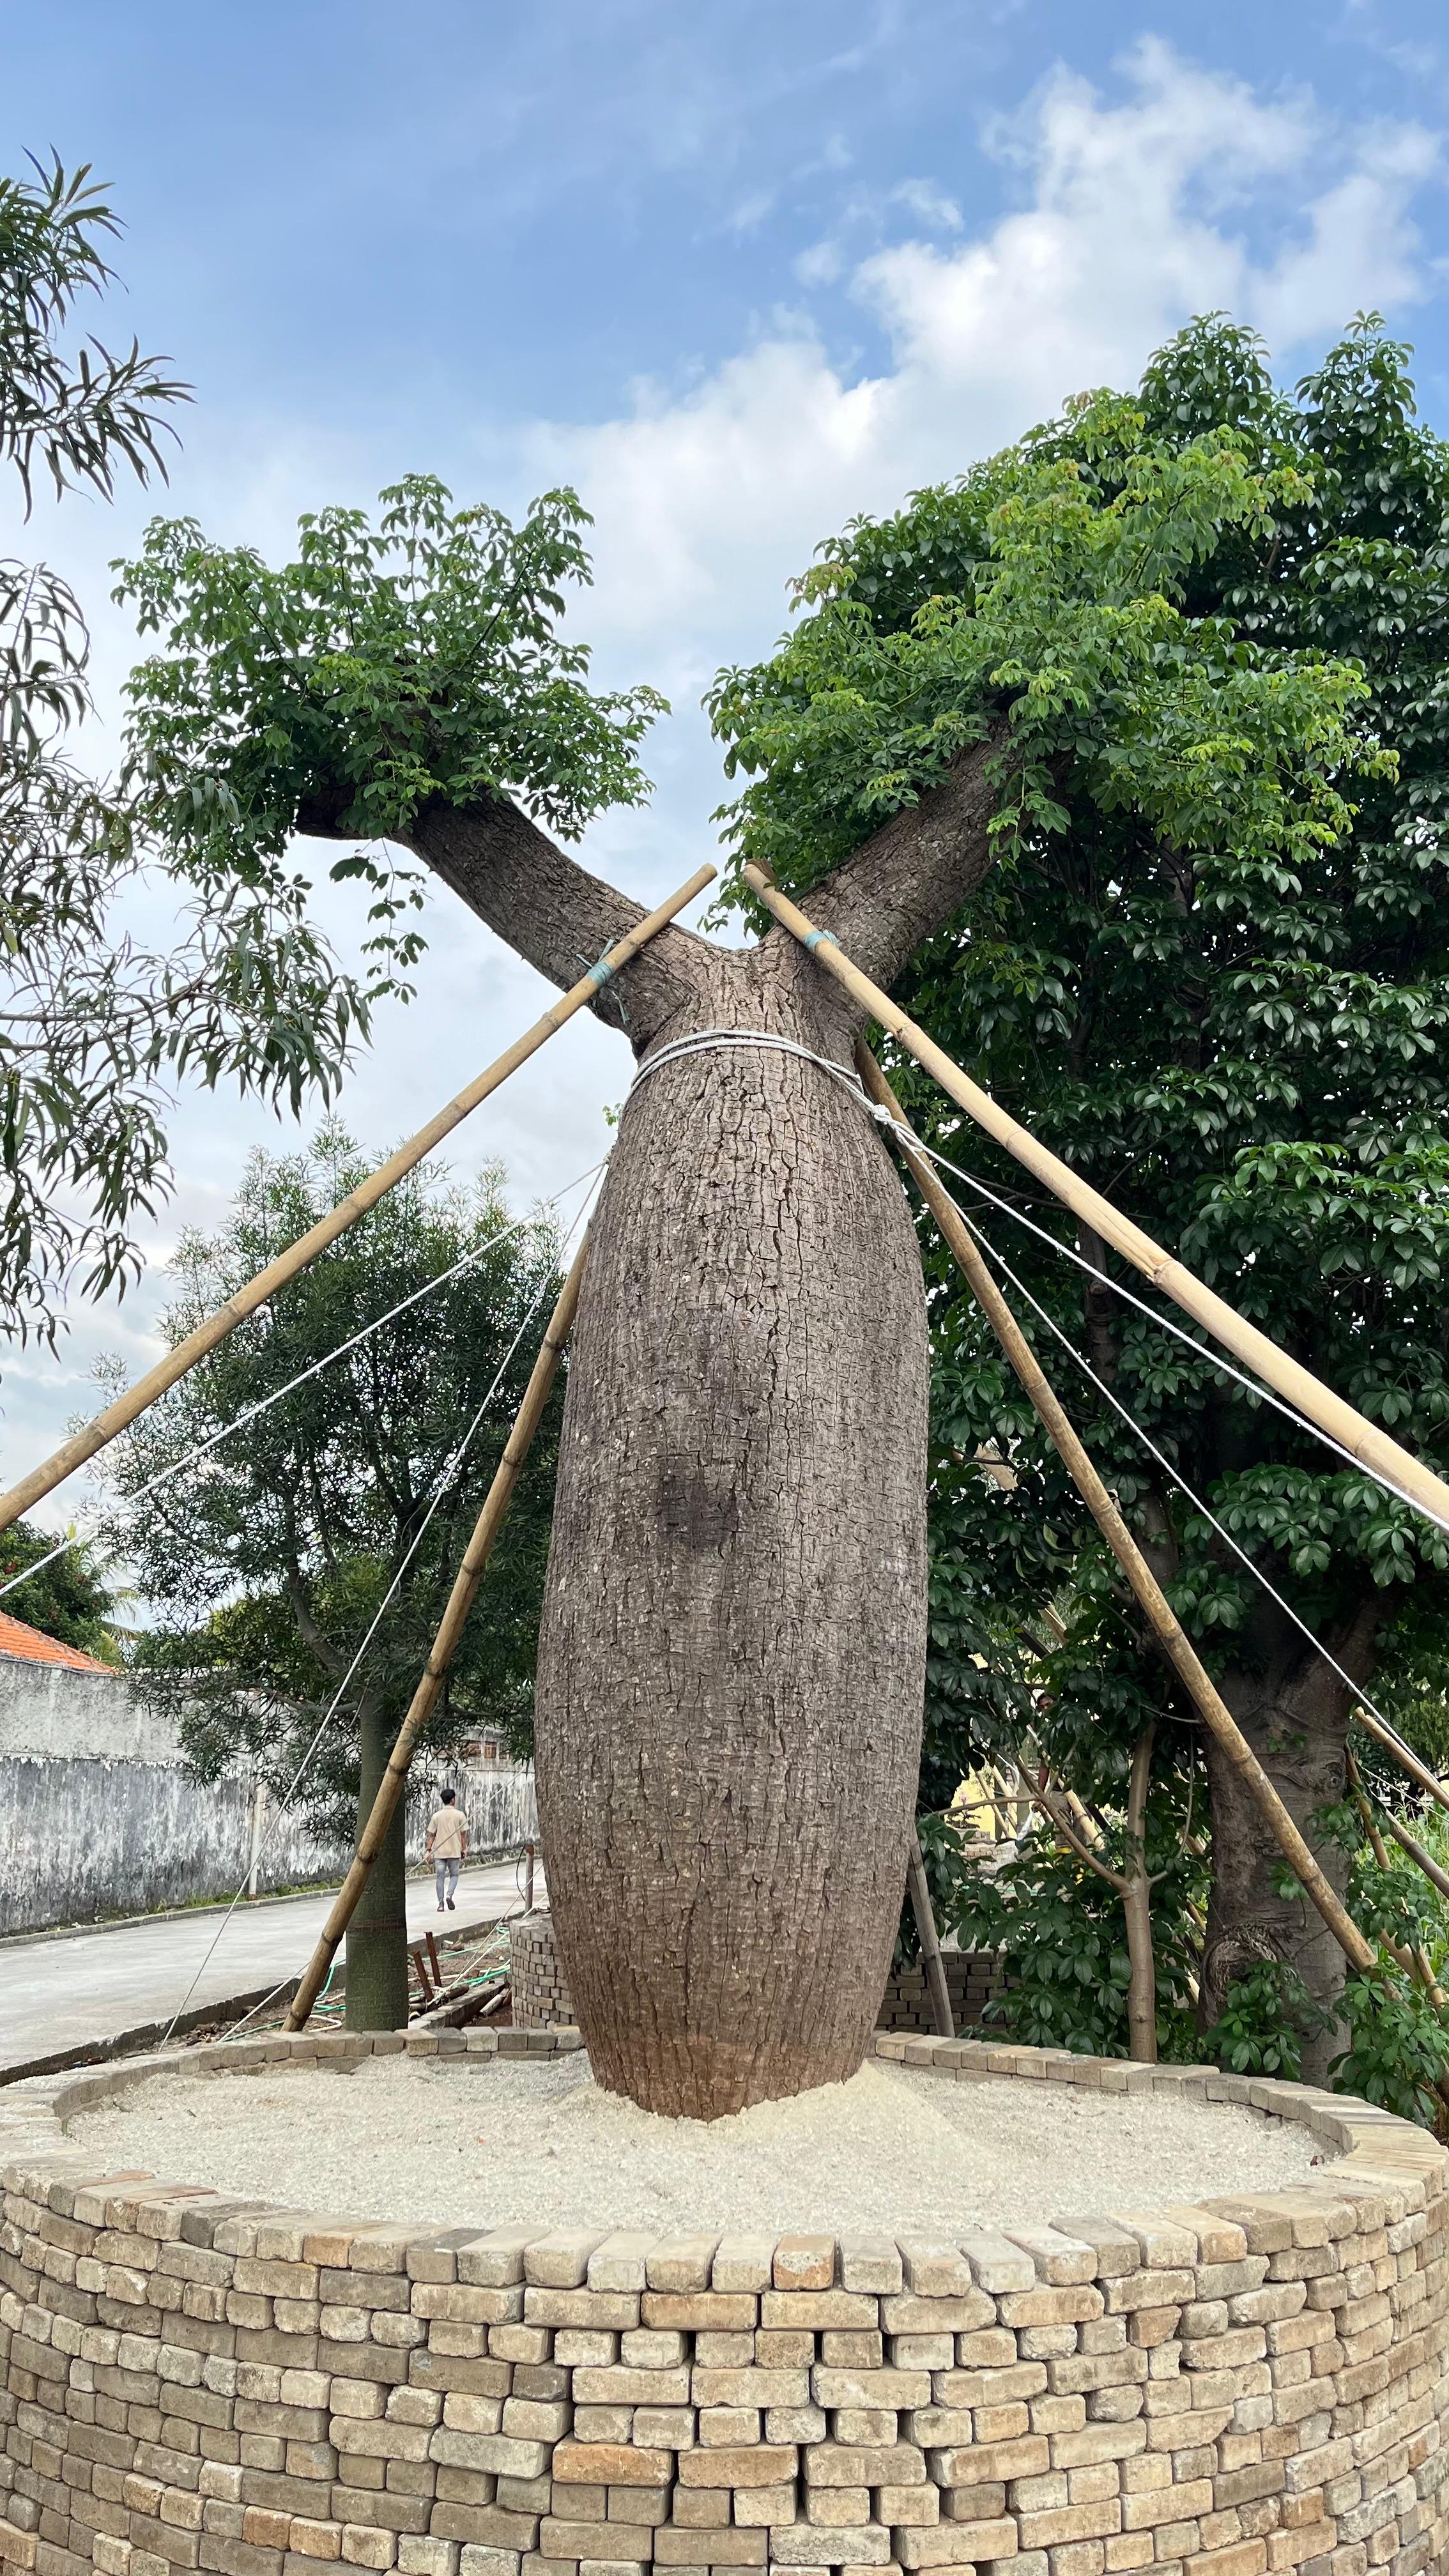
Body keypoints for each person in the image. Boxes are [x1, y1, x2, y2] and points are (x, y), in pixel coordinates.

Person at [425, 1786, 469, 1912]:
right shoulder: (460, 1815)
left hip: (440, 1852)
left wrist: (428, 1850)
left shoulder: (436, 1816)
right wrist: (464, 1849)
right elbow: (463, 1835)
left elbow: (432, 1835)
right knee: (454, 1875)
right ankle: (449, 1895)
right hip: (454, 1852)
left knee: (440, 1877)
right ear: (453, 1800)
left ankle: (440, 1905)